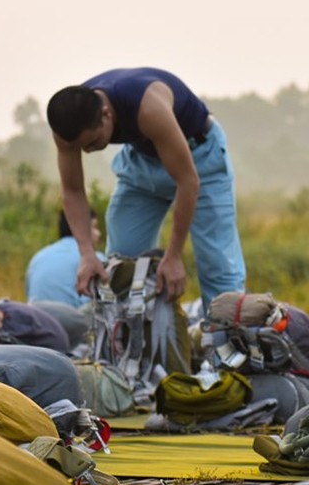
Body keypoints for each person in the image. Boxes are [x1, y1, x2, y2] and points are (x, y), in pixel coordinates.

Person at [46, 67, 246, 310]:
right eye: (80, 147)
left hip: (199, 158)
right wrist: (87, 255)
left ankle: (228, 343)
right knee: (122, 264)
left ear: (106, 114)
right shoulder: (67, 126)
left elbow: (188, 181)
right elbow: (73, 191)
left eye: (92, 143)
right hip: (142, 161)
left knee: (218, 268)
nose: (86, 151)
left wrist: (173, 256)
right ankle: (133, 341)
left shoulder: (148, 107)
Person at [25, 210, 104, 307]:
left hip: (38, 319)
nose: (98, 234)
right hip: (73, 319)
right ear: (83, 229)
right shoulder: (94, 260)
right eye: (94, 227)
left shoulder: (38, 258)